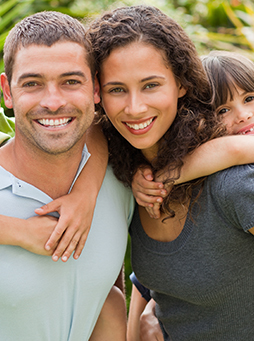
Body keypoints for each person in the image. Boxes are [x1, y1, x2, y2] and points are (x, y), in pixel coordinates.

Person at [85, 5, 254, 340]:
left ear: (181, 84)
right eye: (116, 89)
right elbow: (147, 284)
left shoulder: (239, 184)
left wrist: (165, 174)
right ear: (97, 94)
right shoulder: (128, 178)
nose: (134, 107)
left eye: (150, 85)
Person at [131, 51, 254, 339]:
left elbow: (233, 149)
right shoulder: (224, 179)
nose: (243, 115)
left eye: (250, 97)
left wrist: (158, 178)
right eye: (223, 110)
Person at [0, 11, 133, 340]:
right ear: (7, 91)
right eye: (32, 83)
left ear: (96, 88)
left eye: (71, 81)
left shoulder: (121, 181)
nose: (53, 101)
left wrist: (151, 313)